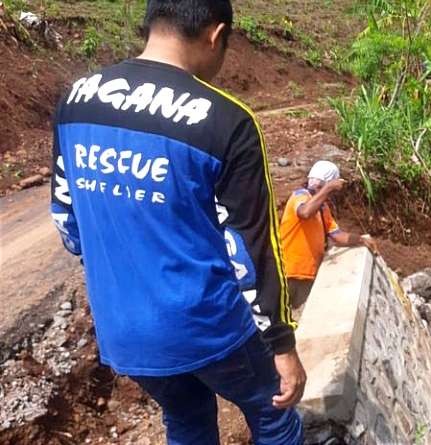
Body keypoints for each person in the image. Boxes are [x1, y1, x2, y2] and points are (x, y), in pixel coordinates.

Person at [49, 1, 305, 443]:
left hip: (123, 330)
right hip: (207, 325)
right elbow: (251, 251)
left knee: (186, 419)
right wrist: (282, 346)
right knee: (273, 410)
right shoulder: (227, 120)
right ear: (215, 33)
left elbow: (67, 221)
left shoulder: (76, 99)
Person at [279, 160, 378, 311]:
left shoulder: (322, 208)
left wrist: (361, 239)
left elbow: (337, 235)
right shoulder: (299, 196)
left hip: (308, 276)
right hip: (287, 272)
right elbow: (304, 213)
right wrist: (329, 187)